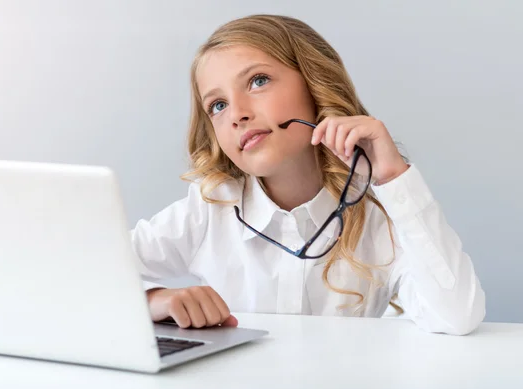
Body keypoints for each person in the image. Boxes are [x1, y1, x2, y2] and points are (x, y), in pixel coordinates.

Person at [130, 14, 485, 335]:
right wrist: (153, 300)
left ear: (314, 84)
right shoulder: (207, 211)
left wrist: (393, 176)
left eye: (258, 81)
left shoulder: (379, 219)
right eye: (218, 105)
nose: (237, 114)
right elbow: (83, 273)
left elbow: (457, 315)